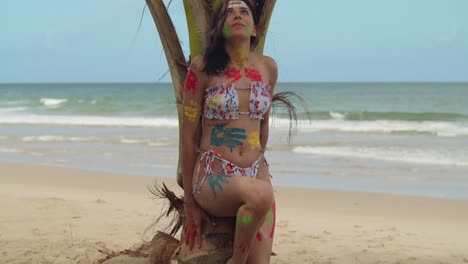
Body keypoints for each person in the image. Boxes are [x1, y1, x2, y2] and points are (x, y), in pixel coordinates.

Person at [182, 0, 277, 263]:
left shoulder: (268, 67)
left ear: (255, 29)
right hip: (214, 176)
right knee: (262, 195)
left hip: (256, 174)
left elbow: (263, 123)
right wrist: (190, 201)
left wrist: (253, 160)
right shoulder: (201, 69)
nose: (236, 15)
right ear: (219, 29)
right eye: (228, 13)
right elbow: (188, 137)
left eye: (243, 11)